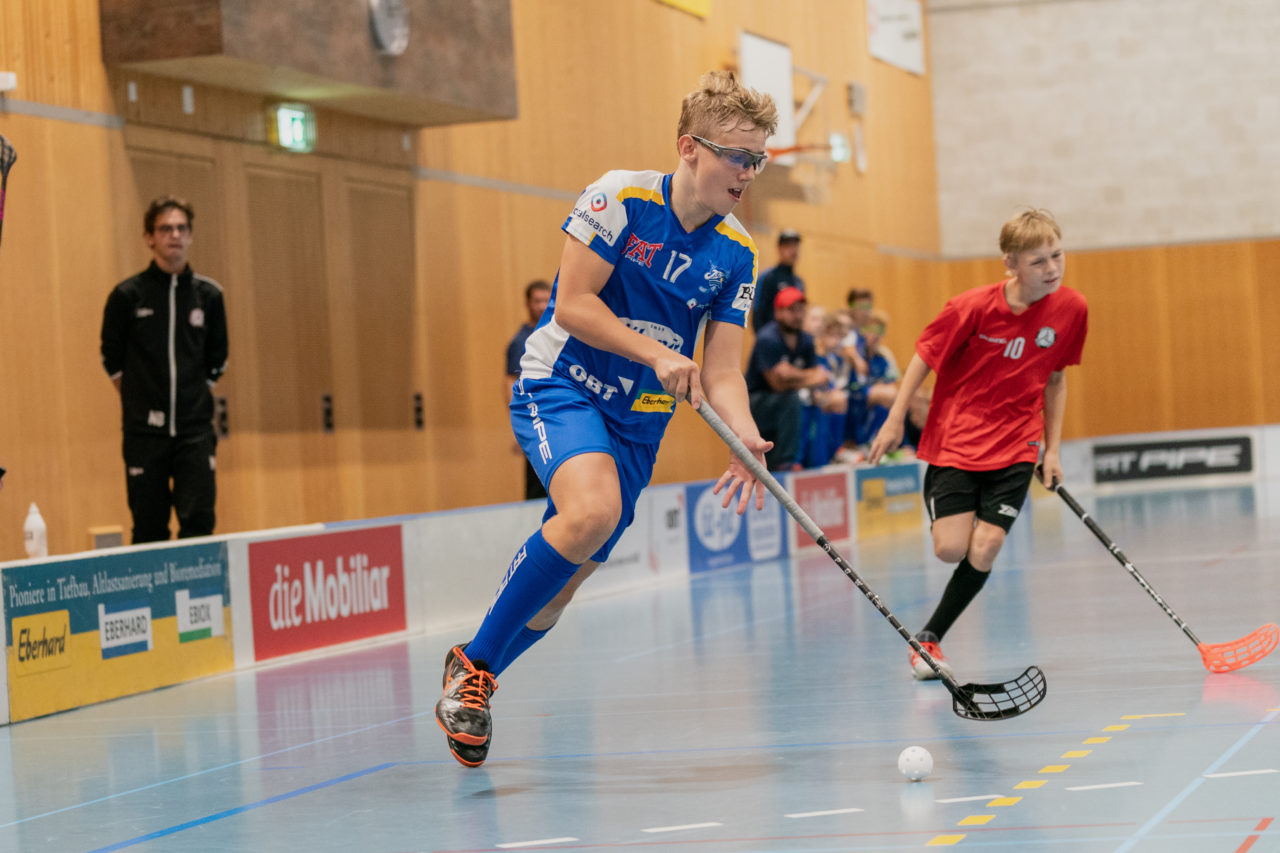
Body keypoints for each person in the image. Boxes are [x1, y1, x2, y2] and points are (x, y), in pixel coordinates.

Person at [436, 70, 778, 767]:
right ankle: (471, 674)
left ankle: (475, 672)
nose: (749, 171)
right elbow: (573, 305)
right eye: (737, 155)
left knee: (561, 587)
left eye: (758, 158)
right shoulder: (618, 196)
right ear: (689, 147)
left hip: (637, 424)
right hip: (562, 383)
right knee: (590, 513)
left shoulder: (738, 252)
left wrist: (743, 432)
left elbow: (721, 371)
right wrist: (655, 350)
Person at [867, 209, 1087, 679]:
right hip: (957, 440)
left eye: (1057, 256)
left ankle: (928, 639)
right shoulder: (971, 308)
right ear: (1011, 263)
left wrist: (1051, 450)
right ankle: (935, 613)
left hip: (1017, 445)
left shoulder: (1072, 309)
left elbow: (1055, 381)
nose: (1052, 269)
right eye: (1038, 261)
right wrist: (894, 420)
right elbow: (922, 359)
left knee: (985, 547)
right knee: (950, 549)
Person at [101, 196, 228, 543]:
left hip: (194, 432)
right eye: (165, 228)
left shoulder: (210, 296)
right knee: (148, 527)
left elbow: (219, 358)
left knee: (199, 524)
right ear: (149, 237)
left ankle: (201, 598)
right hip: (145, 434)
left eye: (181, 228)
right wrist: (141, 398)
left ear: (190, 236)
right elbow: (110, 358)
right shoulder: (127, 296)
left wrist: (189, 397)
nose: (175, 234)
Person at [745, 286, 831, 471]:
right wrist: (809, 377)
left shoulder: (806, 341)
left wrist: (791, 374)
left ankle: (821, 458)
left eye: (801, 310)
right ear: (778, 312)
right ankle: (787, 462)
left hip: (788, 403)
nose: (798, 315)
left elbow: (820, 377)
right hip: (756, 403)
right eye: (792, 310)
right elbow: (776, 384)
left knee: (822, 402)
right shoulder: (767, 338)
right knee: (791, 400)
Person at [505, 279, 552, 500]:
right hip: (536, 421)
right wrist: (521, 425)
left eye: (546, 300)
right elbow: (511, 384)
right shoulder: (521, 341)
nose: (542, 305)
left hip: (556, 418)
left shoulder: (555, 334)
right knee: (537, 486)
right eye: (537, 301)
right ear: (528, 304)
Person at [751, 229, 804, 332]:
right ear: (779, 249)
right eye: (788, 246)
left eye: (796, 246)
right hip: (770, 340)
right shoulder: (767, 277)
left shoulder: (799, 282)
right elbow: (757, 313)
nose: (793, 250)